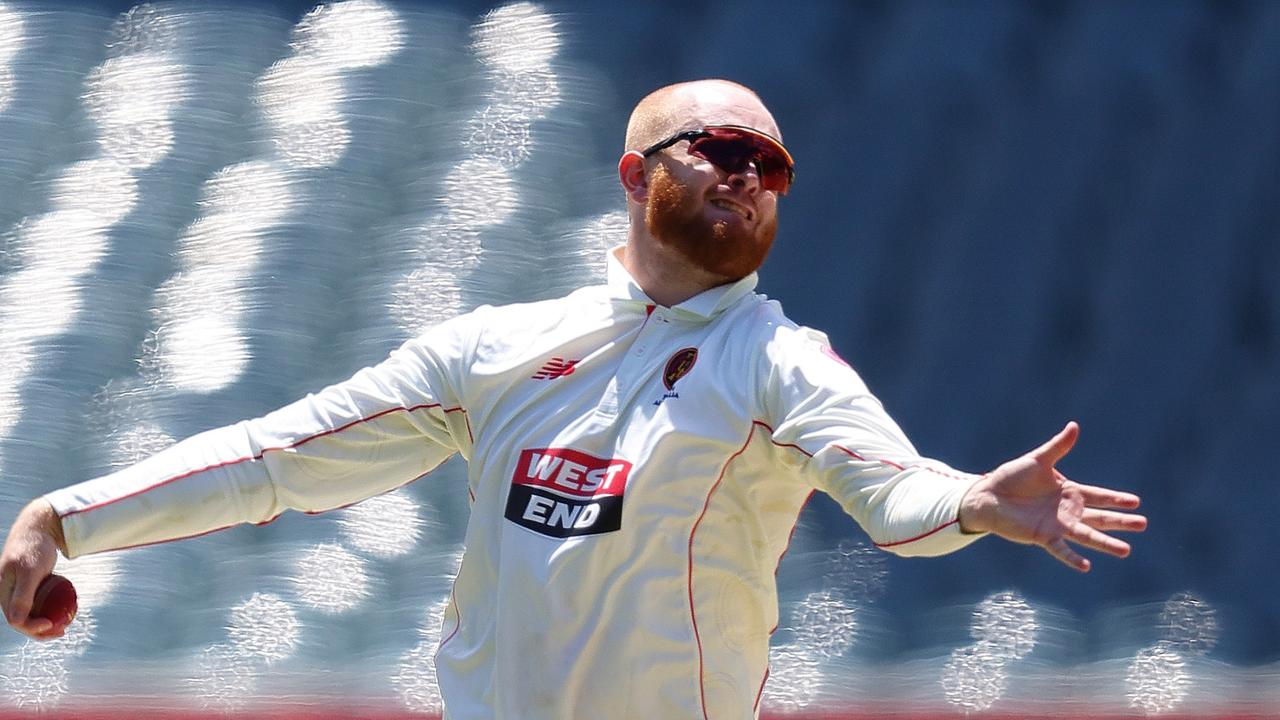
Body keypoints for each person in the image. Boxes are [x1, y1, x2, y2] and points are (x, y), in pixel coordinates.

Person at [1, 79, 1145, 719]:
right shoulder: (498, 349)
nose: (748, 174)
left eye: (772, 164)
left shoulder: (781, 361)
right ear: (633, 173)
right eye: (717, 148)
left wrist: (977, 503)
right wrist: (66, 518)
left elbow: (891, 495)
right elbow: (278, 457)